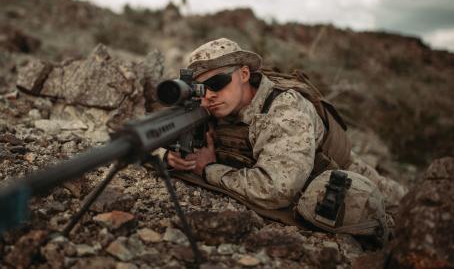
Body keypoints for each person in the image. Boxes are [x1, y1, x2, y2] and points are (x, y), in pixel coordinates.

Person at [164, 38, 407, 243]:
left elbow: (275, 189)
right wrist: (176, 156)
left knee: (409, 212)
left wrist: (207, 169)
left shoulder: (284, 110)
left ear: (244, 74)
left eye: (216, 83)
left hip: (344, 178)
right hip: (295, 179)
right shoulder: (215, 105)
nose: (208, 95)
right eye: (199, 89)